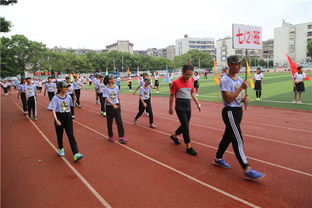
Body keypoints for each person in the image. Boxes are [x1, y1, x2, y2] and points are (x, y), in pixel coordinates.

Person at [212, 55, 265, 180]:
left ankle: (218, 158)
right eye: (237, 64)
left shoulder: (239, 78)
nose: (239, 67)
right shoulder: (225, 80)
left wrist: (243, 99)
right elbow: (229, 98)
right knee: (237, 139)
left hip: (238, 111)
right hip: (229, 111)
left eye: (240, 64)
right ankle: (246, 168)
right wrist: (241, 87)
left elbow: (236, 97)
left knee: (227, 137)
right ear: (230, 65)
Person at [169, 64, 202, 156]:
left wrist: (198, 104)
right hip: (180, 107)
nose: (189, 76)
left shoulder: (191, 80)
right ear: (182, 73)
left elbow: (193, 93)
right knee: (186, 126)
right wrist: (170, 108)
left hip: (188, 106)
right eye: (187, 74)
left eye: (190, 74)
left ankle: (174, 136)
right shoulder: (175, 83)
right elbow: (171, 95)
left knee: (185, 125)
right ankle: (188, 146)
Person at [48, 81, 83, 162]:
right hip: (59, 116)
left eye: (67, 87)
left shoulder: (69, 97)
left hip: (67, 117)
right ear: (60, 88)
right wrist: (56, 120)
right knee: (60, 135)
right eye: (65, 87)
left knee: (71, 135)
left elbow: (71, 107)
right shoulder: (55, 98)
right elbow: (53, 110)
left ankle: (76, 153)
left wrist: (71, 116)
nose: (67, 88)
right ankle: (60, 148)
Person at [104, 74, 128, 144]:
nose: (114, 79)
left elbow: (117, 97)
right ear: (109, 80)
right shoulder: (106, 88)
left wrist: (119, 104)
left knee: (119, 121)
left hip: (116, 106)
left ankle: (121, 137)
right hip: (109, 107)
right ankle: (110, 136)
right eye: (113, 78)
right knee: (110, 122)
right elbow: (106, 99)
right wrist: (113, 104)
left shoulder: (116, 87)